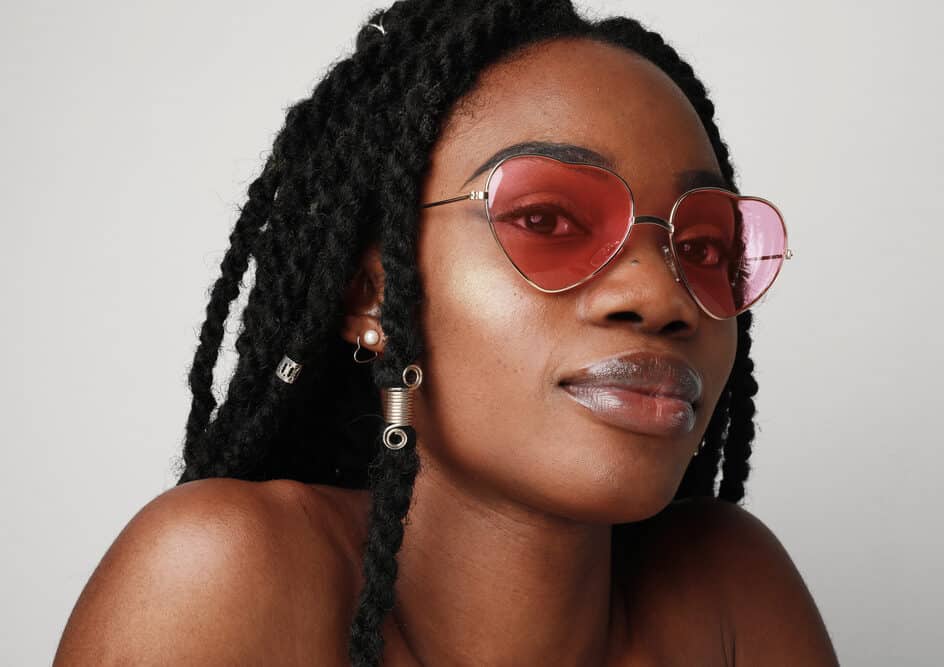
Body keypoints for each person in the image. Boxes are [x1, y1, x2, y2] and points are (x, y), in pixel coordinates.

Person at [54, 0, 838, 664]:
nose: (662, 295)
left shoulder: (732, 590)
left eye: (704, 248)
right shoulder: (221, 576)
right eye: (547, 218)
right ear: (372, 295)